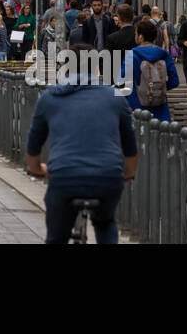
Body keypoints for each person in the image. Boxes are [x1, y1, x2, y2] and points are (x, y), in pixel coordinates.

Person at [25, 45, 138, 244]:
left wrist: (36, 169)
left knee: (56, 236)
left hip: (64, 175)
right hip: (107, 176)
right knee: (105, 222)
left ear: (66, 67)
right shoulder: (115, 98)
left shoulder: (50, 97)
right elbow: (130, 144)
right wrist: (128, 172)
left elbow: (34, 142)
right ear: (97, 68)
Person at [127, 20, 179, 121]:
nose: (135, 36)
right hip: (161, 110)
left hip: (137, 109)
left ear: (140, 37)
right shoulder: (164, 55)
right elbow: (174, 81)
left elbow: (122, 82)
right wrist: (157, 87)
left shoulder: (132, 55)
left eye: (136, 34)